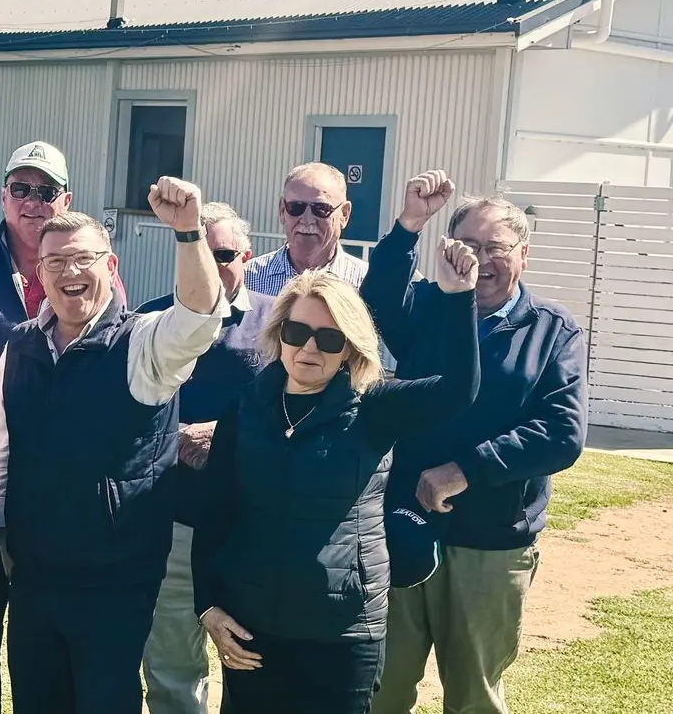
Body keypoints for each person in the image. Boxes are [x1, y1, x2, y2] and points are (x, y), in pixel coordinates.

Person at [188, 243, 480, 714]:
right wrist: (209, 606)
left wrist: (456, 298)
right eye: (297, 331)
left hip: (342, 630)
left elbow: (455, 394)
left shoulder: (373, 406)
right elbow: (217, 511)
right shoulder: (246, 407)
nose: (308, 348)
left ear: (348, 346)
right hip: (254, 625)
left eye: (328, 338)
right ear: (278, 331)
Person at [0, 179, 231, 714]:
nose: (69, 273)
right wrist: (1, 534)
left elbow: (197, 321)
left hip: (114, 582)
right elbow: (5, 452)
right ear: (39, 274)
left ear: (112, 267)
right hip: (34, 578)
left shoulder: (142, 344)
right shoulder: (21, 347)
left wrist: (189, 233)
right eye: (54, 263)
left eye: (83, 260)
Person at [364, 174, 589, 714]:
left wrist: (466, 469)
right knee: (380, 688)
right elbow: (374, 304)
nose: (481, 261)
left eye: (496, 248)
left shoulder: (552, 330)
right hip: (405, 526)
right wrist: (409, 225)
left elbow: (562, 433)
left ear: (524, 255)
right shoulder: (426, 307)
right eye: (468, 246)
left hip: (491, 543)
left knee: (474, 697)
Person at [0, 139, 125, 711]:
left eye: (46, 192)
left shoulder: (91, 275)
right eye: (21, 188)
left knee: (43, 649)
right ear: (4, 195)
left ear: (65, 199)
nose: (33, 202)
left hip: (54, 499)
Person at [135, 202, 273, 714]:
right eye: (198, 252)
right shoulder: (150, 321)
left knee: (255, 664)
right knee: (173, 670)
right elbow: (128, 420)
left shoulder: (281, 324)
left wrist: (222, 432)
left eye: (224, 254)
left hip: (253, 528)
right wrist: (176, 437)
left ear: (248, 255)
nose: (212, 266)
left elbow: (302, 412)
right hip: (174, 525)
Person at [245, 162, 370, 295]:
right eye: (296, 207)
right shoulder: (248, 279)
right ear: (282, 210)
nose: (307, 220)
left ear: (344, 214)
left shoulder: (366, 283)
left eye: (321, 209)